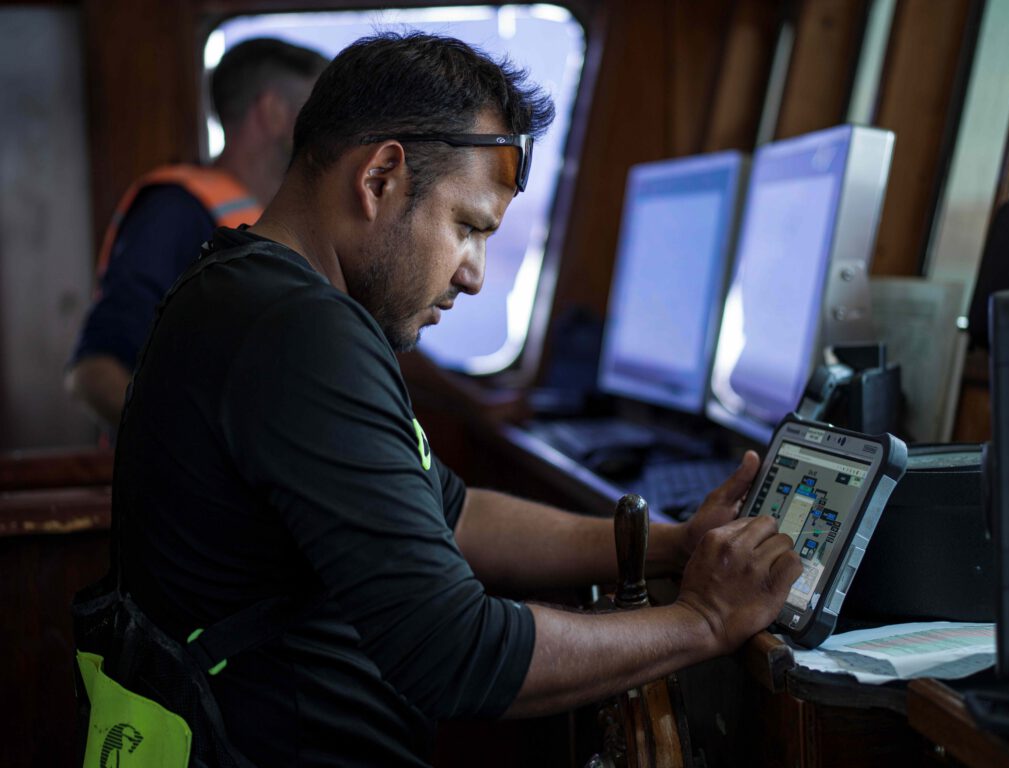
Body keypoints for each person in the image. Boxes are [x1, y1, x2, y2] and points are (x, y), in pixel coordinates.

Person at [112, 32, 802, 767]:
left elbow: (456, 514)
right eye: (467, 227)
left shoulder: (255, 293)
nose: (472, 275)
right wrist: (701, 622)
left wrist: (669, 543)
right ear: (380, 177)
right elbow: (456, 653)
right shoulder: (298, 331)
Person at [65, 38, 328, 429]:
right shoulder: (175, 210)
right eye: (319, 111)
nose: (331, 131)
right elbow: (94, 372)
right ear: (273, 112)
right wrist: (185, 457)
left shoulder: (296, 219)